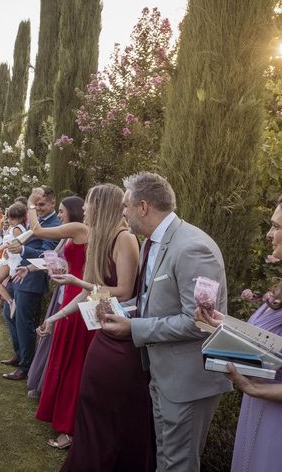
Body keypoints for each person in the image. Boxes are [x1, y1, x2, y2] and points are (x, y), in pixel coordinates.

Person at [101, 172, 231, 471]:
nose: (123, 212)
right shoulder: (151, 243)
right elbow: (157, 300)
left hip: (187, 382)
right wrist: (126, 309)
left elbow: (199, 322)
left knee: (179, 464)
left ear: (143, 206)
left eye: (125, 205)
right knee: (166, 459)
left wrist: (134, 328)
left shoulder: (193, 248)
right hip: (163, 375)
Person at [36, 184, 153, 471]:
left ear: (100, 207)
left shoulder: (124, 238)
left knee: (107, 409)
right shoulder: (101, 238)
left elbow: (124, 291)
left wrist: (79, 283)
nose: (85, 209)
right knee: (90, 401)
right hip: (105, 328)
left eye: (89, 204)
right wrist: (56, 317)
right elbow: (92, 291)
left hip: (123, 334)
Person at [195, 197, 282, 472]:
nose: (269, 235)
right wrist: (219, 323)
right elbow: (264, 341)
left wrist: (252, 387)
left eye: (277, 226)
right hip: (258, 407)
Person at [19, 194, 88, 449]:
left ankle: (69, 427)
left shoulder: (80, 229)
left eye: (61, 211)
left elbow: (36, 230)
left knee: (70, 360)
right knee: (58, 355)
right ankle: (57, 412)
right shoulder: (71, 233)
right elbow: (56, 259)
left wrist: (31, 203)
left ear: (73, 212)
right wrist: (31, 268)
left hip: (77, 295)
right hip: (65, 292)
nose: (59, 215)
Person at [2, 186, 61, 381]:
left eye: (42, 204)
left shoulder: (54, 224)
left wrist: (23, 250)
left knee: (24, 322)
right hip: (19, 274)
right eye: (36, 205)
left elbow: (48, 255)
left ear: (53, 203)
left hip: (33, 279)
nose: (39, 208)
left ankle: (26, 366)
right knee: (8, 314)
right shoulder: (37, 220)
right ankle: (20, 355)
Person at [0, 203, 27, 317]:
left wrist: (4, 247)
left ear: (20, 218)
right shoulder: (13, 227)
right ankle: (9, 302)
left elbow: (18, 243)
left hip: (12, 260)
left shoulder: (17, 228)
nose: (10, 221)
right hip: (7, 258)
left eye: (13, 218)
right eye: (9, 218)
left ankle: (11, 302)